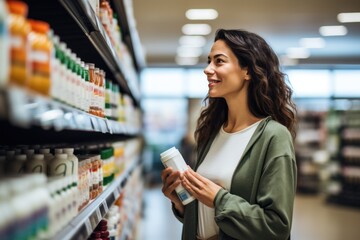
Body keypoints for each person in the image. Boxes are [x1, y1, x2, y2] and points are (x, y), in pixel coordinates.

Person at [161, 28, 297, 240]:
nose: (207, 69)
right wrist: (181, 203)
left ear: (248, 71)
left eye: (219, 61)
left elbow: (277, 226)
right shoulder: (211, 131)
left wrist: (218, 198)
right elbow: (208, 216)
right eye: (208, 61)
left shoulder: (273, 137)